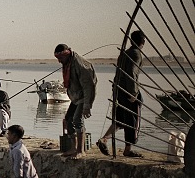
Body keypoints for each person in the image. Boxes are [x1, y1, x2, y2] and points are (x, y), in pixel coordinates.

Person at [96, 30, 146, 158]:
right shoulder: (136, 54)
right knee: (132, 120)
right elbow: (131, 73)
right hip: (128, 90)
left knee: (120, 118)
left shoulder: (125, 53)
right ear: (142, 41)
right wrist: (133, 93)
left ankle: (104, 139)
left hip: (119, 89)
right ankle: (128, 149)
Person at [54, 44, 98, 159]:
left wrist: (87, 106)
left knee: (77, 120)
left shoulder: (79, 64)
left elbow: (89, 86)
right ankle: (74, 147)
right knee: (68, 119)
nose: (59, 61)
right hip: (75, 97)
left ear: (66, 54)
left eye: (60, 59)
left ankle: (80, 150)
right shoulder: (67, 63)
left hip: (83, 96)